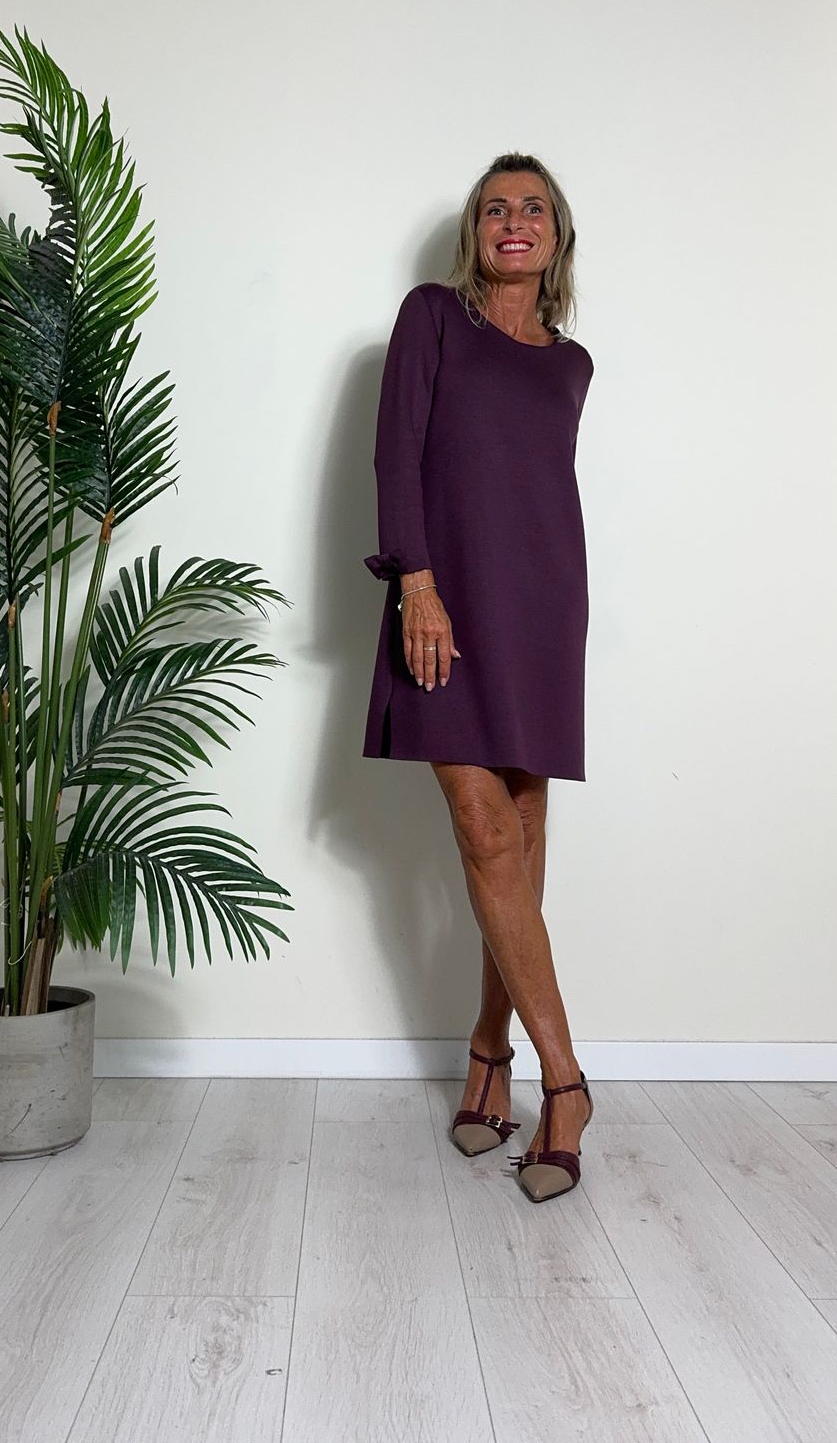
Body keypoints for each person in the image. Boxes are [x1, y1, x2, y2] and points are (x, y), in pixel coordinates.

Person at [362, 152, 595, 1203]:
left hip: (541, 608)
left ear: (555, 236)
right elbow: (395, 458)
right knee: (483, 828)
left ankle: (488, 1055)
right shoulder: (431, 319)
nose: (513, 221)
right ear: (474, 231)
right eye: (495, 207)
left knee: (522, 839)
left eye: (532, 208)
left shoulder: (570, 364)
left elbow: (537, 491)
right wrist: (415, 584)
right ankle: (567, 1085)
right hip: (443, 603)